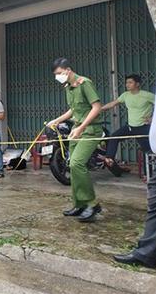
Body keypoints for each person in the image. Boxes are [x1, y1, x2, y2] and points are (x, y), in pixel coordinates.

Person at [113, 54, 156, 269]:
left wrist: (151, 120)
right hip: (155, 150)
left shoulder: (148, 94)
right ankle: (146, 254)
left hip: (146, 136)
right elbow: (113, 103)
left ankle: (146, 253)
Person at [47, 58, 103, 222]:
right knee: (72, 166)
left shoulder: (84, 83)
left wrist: (81, 128)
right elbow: (73, 109)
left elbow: (96, 107)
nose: (58, 77)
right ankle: (79, 204)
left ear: (68, 70)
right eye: (55, 75)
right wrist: (56, 120)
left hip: (90, 130)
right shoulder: (68, 87)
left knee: (77, 163)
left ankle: (92, 204)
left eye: (59, 73)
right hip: (76, 131)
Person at [102, 74, 154, 171]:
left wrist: (153, 118)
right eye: (126, 82)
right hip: (130, 127)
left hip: (143, 128)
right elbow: (113, 104)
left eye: (130, 82)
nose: (127, 85)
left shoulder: (147, 95)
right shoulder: (125, 95)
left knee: (148, 151)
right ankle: (109, 158)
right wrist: (99, 109)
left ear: (137, 84)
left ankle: (149, 175)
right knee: (114, 137)